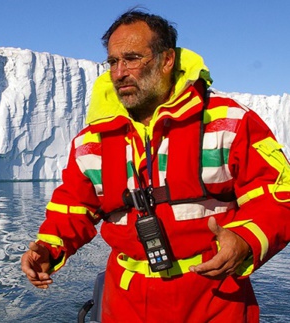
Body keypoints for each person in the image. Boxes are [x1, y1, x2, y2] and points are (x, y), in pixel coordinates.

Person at [21, 9, 290, 322]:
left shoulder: (228, 123)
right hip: (125, 304)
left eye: (132, 58)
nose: (119, 72)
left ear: (167, 60)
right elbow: (73, 207)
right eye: (112, 62)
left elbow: (278, 193)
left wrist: (245, 240)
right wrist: (47, 248)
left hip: (214, 299)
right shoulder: (92, 141)